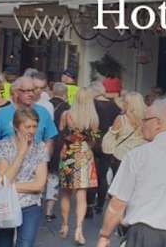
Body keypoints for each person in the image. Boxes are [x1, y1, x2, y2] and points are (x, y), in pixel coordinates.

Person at [96, 98, 166, 247]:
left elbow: (117, 204)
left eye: (145, 120)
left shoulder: (137, 156)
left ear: (157, 123)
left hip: (142, 236)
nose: (141, 124)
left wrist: (105, 236)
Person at [0, 76, 57, 192]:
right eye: (26, 91)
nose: (31, 94)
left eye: (33, 90)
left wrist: (43, 165)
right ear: (16, 92)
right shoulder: (2, 113)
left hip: (32, 176)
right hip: (6, 170)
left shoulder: (43, 112)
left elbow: (49, 140)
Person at [0, 107, 49, 247]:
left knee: (25, 244)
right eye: (27, 127)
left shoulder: (40, 147)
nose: (32, 131)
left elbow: (39, 185)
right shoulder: (3, 146)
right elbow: (4, 180)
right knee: (3, 243)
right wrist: (21, 153)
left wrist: (9, 186)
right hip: (5, 203)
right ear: (16, 126)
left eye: (34, 126)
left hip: (30, 204)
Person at [58, 87, 100, 245]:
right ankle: (79, 229)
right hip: (84, 155)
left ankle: (65, 225)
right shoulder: (93, 118)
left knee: (66, 193)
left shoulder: (66, 115)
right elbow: (93, 141)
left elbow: (61, 134)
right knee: (81, 195)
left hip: (68, 154)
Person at [87, 80, 121, 215]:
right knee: (102, 175)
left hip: (94, 141)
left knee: (92, 175)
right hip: (108, 143)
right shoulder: (115, 105)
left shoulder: (92, 105)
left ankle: (89, 206)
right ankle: (100, 205)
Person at [45, 82, 70, 222]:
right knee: (54, 176)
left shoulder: (45, 105)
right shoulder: (67, 108)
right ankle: (49, 211)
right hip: (58, 144)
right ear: (65, 94)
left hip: (44, 142)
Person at [106, 91, 146, 175]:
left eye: (124, 101)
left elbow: (109, 139)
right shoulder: (146, 120)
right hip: (140, 157)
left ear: (128, 104)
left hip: (121, 156)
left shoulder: (121, 119)